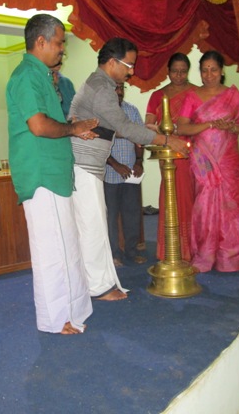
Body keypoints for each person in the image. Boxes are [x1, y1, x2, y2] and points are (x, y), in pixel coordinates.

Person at [69, 37, 188, 301]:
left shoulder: (99, 84)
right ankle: (98, 288)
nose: (131, 72)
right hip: (84, 166)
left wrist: (148, 131)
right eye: (129, 65)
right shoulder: (102, 88)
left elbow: (118, 127)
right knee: (93, 227)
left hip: (89, 166)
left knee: (95, 224)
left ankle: (98, 283)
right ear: (112, 62)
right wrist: (166, 140)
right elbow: (124, 127)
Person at [5, 13, 100, 335]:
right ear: (41, 41)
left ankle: (74, 310)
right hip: (41, 174)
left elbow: (53, 123)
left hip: (55, 173)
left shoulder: (43, 76)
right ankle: (56, 319)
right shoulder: (26, 76)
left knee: (67, 246)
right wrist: (73, 128)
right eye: (59, 43)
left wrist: (75, 129)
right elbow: (38, 125)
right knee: (51, 251)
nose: (62, 49)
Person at [176, 50, 239, 272]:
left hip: (228, 161)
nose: (209, 75)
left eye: (213, 70)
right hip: (203, 161)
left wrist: (232, 127)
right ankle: (205, 255)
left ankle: (230, 257)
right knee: (204, 207)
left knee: (231, 206)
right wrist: (209, 125)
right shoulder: (192, 96)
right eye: (204, 70)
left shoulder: (232, 96)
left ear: (222, 72)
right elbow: (182, 127)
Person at [145, 53, 197, 263]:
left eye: (183, 71)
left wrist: (184, 130)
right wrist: (169, 131)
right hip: (168, 151)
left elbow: (202, 121)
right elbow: (148, 124)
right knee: (171, 193)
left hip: (193, 151)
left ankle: (192, 247)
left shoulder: (196, 92)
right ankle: (173, 248)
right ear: (168, 71)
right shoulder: (158, 95)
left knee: (194, 195)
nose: (179, 75)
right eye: (175, 71)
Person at [104, 83, 147, 267]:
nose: (119, 92)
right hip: (109, 174)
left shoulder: (132, 110)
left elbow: (140, 138)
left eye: (122, 88)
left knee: (132, 214)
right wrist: (115, 164)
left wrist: (139, 161)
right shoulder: (100, 112)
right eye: (115, 88)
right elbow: (98, 142)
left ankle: (131, 252)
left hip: (131, 174)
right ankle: (114, 255)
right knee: (111, 217)